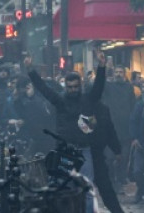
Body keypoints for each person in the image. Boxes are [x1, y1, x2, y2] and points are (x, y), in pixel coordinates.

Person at [26, 51, 107, 204]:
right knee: (63, 188)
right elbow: (43, 89)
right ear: (66, 86)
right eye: (70, 87)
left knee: (87, 189)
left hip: (83, 149)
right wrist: (31, 70)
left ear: (80, 86)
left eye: (76, 87)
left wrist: (102, 67)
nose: (73, 90)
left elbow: (98, 87)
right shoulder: (60, 100)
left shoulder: (87, 99)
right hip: (64, 151)